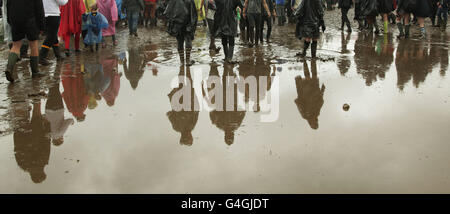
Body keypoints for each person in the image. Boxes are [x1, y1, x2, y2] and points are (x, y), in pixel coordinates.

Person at [4, 0, 46, 83]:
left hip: (15, 20)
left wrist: (10, 21)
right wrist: (42, 26)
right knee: (33, 45)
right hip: (30, 20)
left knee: (16, 46)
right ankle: (35, 72)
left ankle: (9, 68)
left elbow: (8, 6)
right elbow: (39, 9)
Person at [165, 0, 198, 66]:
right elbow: (194, 15)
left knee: (180, 41)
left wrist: (172, 23)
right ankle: (187, 60)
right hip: (187, 23)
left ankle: (182, 61)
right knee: (188, 40)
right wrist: (193, 25)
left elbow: (167, 12)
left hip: (177, 24)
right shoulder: (190, 1)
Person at [295, 59, 325, 130]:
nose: (315, 121)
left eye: (314, 123)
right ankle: (312, 60)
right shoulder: (316, 114)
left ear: (310, 123)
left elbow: (299, 103)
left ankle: (305, 60)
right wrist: (322, 90)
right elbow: (320, 102)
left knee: (307, 75)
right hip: (314, 92)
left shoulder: (305, 115)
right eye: (316, 122)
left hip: (307, 93)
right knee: (314, 75)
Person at [39, 0, 68, 66]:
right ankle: (41, 57)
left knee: (53, 36)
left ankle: (58, 55)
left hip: (44, 14)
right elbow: (62, 2)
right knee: (50, 37)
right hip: (53, 15)